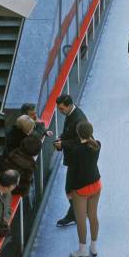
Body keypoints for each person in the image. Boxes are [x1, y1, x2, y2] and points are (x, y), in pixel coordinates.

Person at [65, 121, 102, 257]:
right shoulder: (97, 145)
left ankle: (82, 250)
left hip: (81, 189)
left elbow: (71, 173)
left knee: (81, 219)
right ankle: (93, 246)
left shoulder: (76, 152)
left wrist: (68, 190)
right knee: (93, 216)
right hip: (96, 185)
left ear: (78, 133)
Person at [54, 95, 88, 227]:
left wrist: (62, 143)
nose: (60, 111)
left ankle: (76, 213)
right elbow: (69, 133)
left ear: (69, 106)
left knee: (71, 189)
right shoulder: (71, 114)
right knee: (72, 188)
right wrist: (61, 139)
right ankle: (76, 212)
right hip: (76, 159)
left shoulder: (78, 119)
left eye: (61, 109)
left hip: (78, 160)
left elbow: (79, 140)